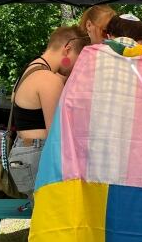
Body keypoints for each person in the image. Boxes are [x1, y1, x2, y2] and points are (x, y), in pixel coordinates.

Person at [7, 26, 90, 196]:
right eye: (78, 59)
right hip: (39, 154)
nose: (76, 66)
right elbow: (57, 134)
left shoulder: (30, 70)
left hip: (24, 152)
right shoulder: (48, 79)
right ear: (67, 50)